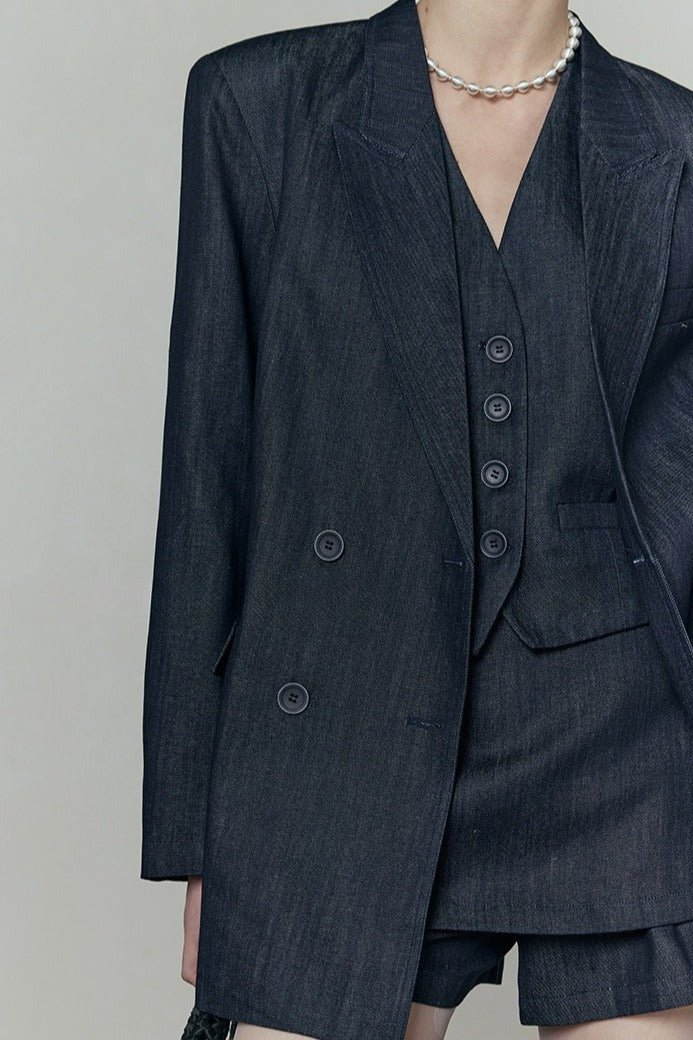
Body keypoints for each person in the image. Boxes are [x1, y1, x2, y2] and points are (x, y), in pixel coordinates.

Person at [141, 1, 693, 1038]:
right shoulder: (260, 103)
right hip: (342, 725)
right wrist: (201, 836)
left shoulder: (674, 140)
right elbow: (207, 475)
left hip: (615, 744)